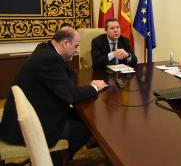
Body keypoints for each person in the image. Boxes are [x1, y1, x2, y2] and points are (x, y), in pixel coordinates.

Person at [0, 27, 108, 165]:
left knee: (80, 116)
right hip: (25, 127)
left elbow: (70, 79)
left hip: (29, 110)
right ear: (65, 43)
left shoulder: (46, 49)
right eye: (75, 46)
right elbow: (71, 95)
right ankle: (55, 160)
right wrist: (94, 87)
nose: (76, 51)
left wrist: (68, 70)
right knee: (87, 127)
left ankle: (58, 156)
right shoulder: (50, 59)